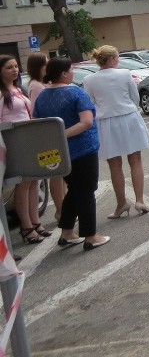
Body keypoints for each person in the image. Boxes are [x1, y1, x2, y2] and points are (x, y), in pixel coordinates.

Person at [33, 57, 110, 251]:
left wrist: (56, 139)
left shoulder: (42, 96)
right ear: (64, 73)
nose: (72, 73)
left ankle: (67, 231)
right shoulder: (75, 93)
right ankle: (91, 236)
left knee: (74, 189)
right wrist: (63, 134)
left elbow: (37, 123)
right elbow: (86, 121)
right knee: (86, 191)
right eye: (70, 70)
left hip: (60, 152)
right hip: (82, 149)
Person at [82, 45, 149, 218]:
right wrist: (129, 108)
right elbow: (134, 97)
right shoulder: (124, 74)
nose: (118, 60)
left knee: (114, 165)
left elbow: (89, 103)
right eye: (117, 57)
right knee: (135, 160)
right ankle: (140, 200)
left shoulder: (89, 79)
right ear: (112, 59)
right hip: (128, 117)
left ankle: (121, 203)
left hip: (106, 122)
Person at [0, 55, 51, 246]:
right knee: (22, 184)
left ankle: (35, 222)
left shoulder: (18, 89)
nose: (14, 70)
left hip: (29, 139)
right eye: (8, 68)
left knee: (34, 181)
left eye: (15, 66)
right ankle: (26, 226)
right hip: (14, 142)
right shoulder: (1, 92)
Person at [26, 52, 67, 221]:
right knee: (56, 173)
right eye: (46, 63)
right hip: (47, 135)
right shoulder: (36, 86)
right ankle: (60, 210)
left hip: (50, 133)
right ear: (39, 67)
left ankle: (63, 208)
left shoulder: (38, 84)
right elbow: (38, 112)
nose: (48, 66)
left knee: (61, 173)